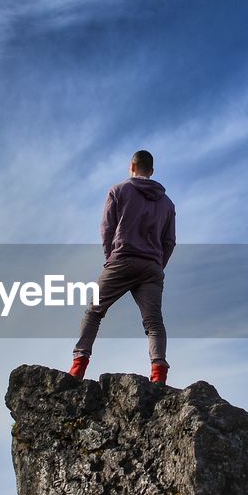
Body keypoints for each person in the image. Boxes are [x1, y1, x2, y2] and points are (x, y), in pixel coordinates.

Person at [69, 149, 176, 384]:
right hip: (152, 268)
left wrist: (111, 258)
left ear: (131, 166)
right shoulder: (167, 204)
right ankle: (159, 374)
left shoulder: (118, 191)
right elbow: (169, 241)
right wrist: (158, 264)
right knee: (154, 322)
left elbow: (107, 228)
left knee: (94, 311)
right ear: (152, 171)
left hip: (122, 259)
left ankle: (78, 367)